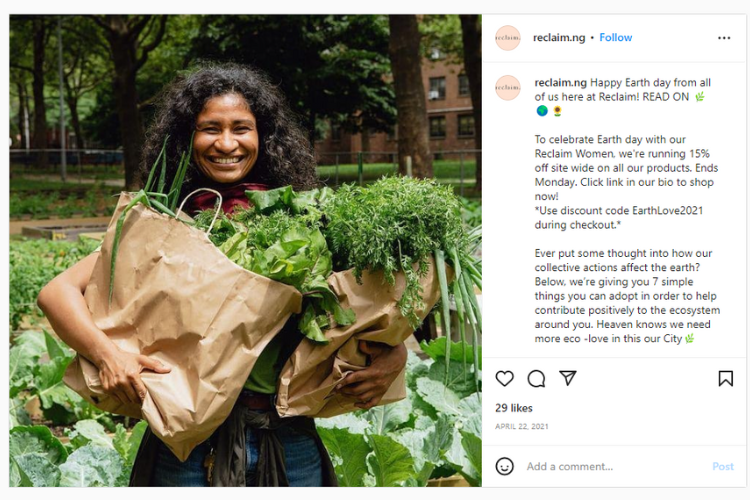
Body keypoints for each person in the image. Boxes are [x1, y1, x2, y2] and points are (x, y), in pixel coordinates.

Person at [37, 63, 407, 487]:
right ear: (186, 137)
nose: (226, 143)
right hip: (187, 440)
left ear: (262, 136)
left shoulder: (306, 218)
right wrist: (109, 356)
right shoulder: (166, 221)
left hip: (289, 437)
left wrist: (394, 356)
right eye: (210, 128)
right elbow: (57, 292)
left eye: (241, 128)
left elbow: (366, 312)